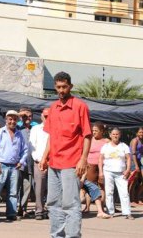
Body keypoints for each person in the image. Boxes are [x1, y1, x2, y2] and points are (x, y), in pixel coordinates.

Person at [39, 72, 92, 238]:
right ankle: (57, 235)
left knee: (70, 204)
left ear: (70, 86)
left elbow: (87, 135)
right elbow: (51, 136)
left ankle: (72, 236)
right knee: (53, 203)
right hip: (54, 162)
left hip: (71, 163)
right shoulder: (53, 108)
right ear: (55, 87)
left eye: (64, 87)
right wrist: (44, 157)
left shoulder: (80, 106)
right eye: (58, 87)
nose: (61, 90)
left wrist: (83, 159)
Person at [0, 110, 28, 221]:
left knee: (13, 192)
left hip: (14, 166)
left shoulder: (19, 134)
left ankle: (11, 214)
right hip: (1, 166)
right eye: (10, 119)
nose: (12, 121)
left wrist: (22, 161)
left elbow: (25, 150)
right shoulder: (0, 132)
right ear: (6, 120)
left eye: (14, 119)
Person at [99, 128, 134, 220]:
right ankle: (110, 212)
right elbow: (100, 159)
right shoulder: (105, 146)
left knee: (124, 192)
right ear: (110, 135)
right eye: (113, 134)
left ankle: (127, 212)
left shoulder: (124, 146)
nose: (115, 136)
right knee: (109, 191)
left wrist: (128, 170)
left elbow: (129, 158)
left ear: (120, 135)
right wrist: (101, 172)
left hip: (121, 172)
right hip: (108, 171)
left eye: (117, 134)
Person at [29, 108, 50, 220]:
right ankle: (39, 211)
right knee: (39, 188)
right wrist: (40, 161)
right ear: (42, 116)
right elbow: (32, 147)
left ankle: (51, 210)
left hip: (53, 163)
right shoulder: (36, 129)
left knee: (53, 188)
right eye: (45, 116)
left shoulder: (55, 128)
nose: (47, 118)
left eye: (49, 116)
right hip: (39, 162)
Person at [84, 122, 109, 212]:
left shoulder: (106, 141)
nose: (94, 132)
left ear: (102, 131)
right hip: (90, 165)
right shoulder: (89, 140)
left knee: (102, 186)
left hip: (102, 166)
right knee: (89, 186)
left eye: (96, 131)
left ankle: (101, 207)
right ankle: (87, 207)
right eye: (93, 130)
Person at [16, 106, 34, 218]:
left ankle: (23, 208)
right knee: (17, 186)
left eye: (30, 115)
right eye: (25, 116)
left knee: (27, 186)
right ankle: (16, 207)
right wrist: (20, 116)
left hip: (30, 163)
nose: (28, 118)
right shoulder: (16, 127)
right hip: (18, 162)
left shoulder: (35, 128)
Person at [129, 127, 143, 204]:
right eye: (140, 132)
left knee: (141, 180)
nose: (141, 134)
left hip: (139, 161)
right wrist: (136, 165)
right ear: (137, 133)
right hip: (133, 162)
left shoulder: (141, 141)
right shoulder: (135, 140)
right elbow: (133, 153)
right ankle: (131, 199)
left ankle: (138, 197)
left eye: (142, 132)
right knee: (133, 181)